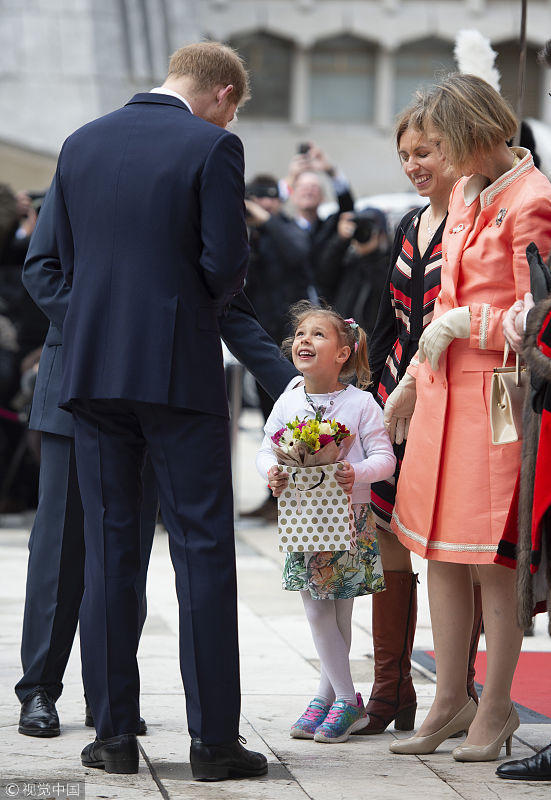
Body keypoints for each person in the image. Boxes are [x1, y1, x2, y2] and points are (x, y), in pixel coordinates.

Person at [34, 40, 268, 780]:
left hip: (92, 375)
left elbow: (49, 264)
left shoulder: (81, 143)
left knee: (110, 556)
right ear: (223, 92)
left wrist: (100, 320)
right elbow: (224, 266)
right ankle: (212, 744)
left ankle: (110, 737)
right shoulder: (213, 147)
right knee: (201, 550)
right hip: (178, 372)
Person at [17, 175, 298, 743]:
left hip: (151, 392)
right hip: (77, 382)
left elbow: (225, 302)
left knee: (126, 554)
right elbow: (40, 269)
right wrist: (107, 325)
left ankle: (108, 697)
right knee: (61, 549)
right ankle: (40, 689)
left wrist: (297, 389)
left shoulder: (185, 192)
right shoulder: (83, 169)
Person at [385, 74, 551, 761]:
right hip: (439, 387)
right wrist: (406, 387)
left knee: (491, 558)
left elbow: (534, 317)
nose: (434, 160)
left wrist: (460, 323)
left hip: (499, 397)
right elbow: (441, 296)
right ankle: (448, 697)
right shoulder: (460, 192)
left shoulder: (534, 199)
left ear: (478, 133)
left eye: (443, 145)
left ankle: (497, 704)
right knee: (437, 553)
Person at [363, 102, 483, 736]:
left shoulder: (474, 216)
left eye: (426, 152)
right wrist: (370, 392)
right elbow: (391, 317)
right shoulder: (410, 223)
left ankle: (460, 690)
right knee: (387, 529)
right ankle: (390, 690)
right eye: (406, 155)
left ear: (457, 150)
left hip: (450, 398)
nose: (414, 165)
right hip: (394, 393)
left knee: (455, 543)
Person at [256, 302, 396, 743]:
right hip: (304, 520)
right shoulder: (290, 396)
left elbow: (385, 461)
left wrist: (358, 473)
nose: (304, 340)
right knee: (319, 610)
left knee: (335, 611)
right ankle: (337, 698)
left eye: (318, 335)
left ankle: (338, 700)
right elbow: (265, 448)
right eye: (300, 334)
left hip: (349, 521)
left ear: (343, 353)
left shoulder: (361, 404)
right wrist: (270, 472)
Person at [317, 208, 390, 336]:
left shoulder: (390, 264)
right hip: (343, 336)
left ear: (381, 233)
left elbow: (383, 293)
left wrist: (370, 256)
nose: (363, 235)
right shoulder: (349, 262)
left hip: (370, 340)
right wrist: (340, 240)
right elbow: (323, 275)